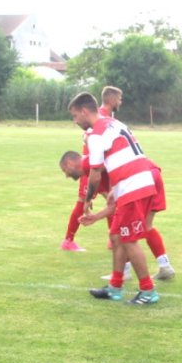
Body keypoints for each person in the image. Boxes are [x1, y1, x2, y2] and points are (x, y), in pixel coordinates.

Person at [68, 91, 161, 305]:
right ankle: (115, 288)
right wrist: (115, 189)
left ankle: (148, 291)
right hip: (134, 181)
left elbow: (95, 171)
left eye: (75, 116)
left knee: (129, 240)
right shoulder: (113, 123)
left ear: (84, 111)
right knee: (117, 236)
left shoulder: (96, 134)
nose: (75, 121)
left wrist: (88, 200)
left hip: (133, 184)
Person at [61, 150, 175, 281]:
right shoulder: (94, 170)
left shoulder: (93, 165)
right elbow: (114, 204)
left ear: (70, 163)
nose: (66, 175)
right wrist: (95, 215)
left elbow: (116, 203)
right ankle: (164, 265)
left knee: (123, 234)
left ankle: (132, 280)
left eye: (65, 170)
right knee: (146, 226)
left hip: (138, 177)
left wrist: (92, 209)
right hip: (150, 172)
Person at [60, 86, 124, 252]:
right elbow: (91, 139)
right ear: (111, 99)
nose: (120, 101)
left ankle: (113, 238)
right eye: (119, 98)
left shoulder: (105, 116)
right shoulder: (98, 115)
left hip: (99, 166)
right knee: (85, 201)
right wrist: (89, 165)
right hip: (92, 167)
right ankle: (68, 240)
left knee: (111, 199)